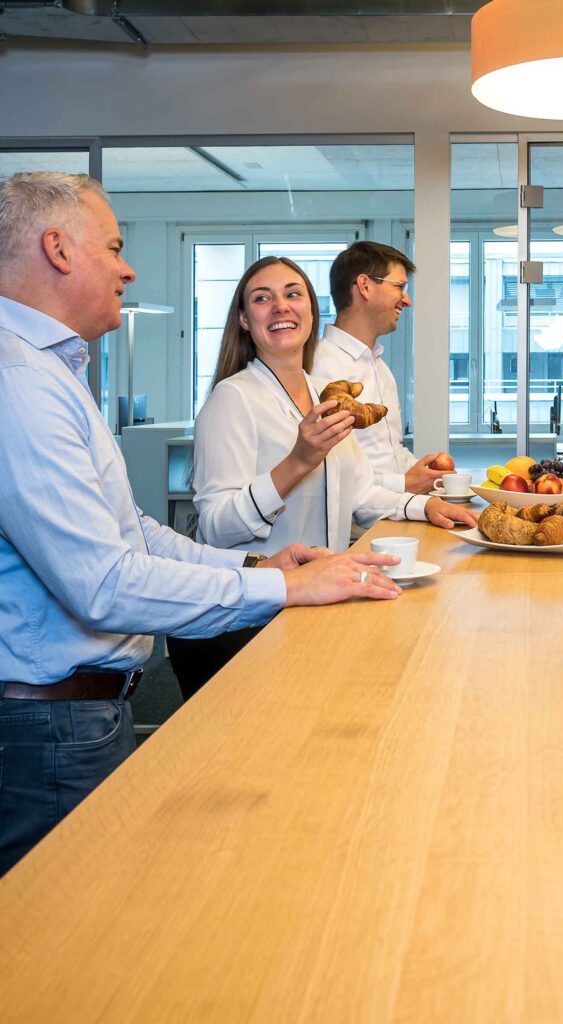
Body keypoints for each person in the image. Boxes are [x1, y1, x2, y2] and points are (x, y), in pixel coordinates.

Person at [0, 173, 403, 875]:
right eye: (116, 247)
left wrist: (263, 569)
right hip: (53, 722)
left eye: (293, 294)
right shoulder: (22, 383)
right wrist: (280, 587)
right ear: (58, 250)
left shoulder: (53, 373)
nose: (128, 268)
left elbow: (136, 532)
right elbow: (105, 581)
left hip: (91, 709)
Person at [174, 256, 478, 697]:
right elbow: (216, 527)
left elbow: (358, 493)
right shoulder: (232, 398)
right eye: (263, 299)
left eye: (293, 294)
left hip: (318, 605)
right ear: (243, 319)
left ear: (312, 312)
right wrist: (299, 459)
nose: (281, 307)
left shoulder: (323, 395)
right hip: (255, 618)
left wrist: (425, 505)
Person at [313, 240, 447, 495]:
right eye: (400, 287)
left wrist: (425, 472)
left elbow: (387, 453)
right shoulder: (319, 368)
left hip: (393, 517)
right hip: (354, 533)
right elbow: (326, 476)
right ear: (364, 286)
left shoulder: (380, 367)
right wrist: (404, 484)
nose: (406, 300)